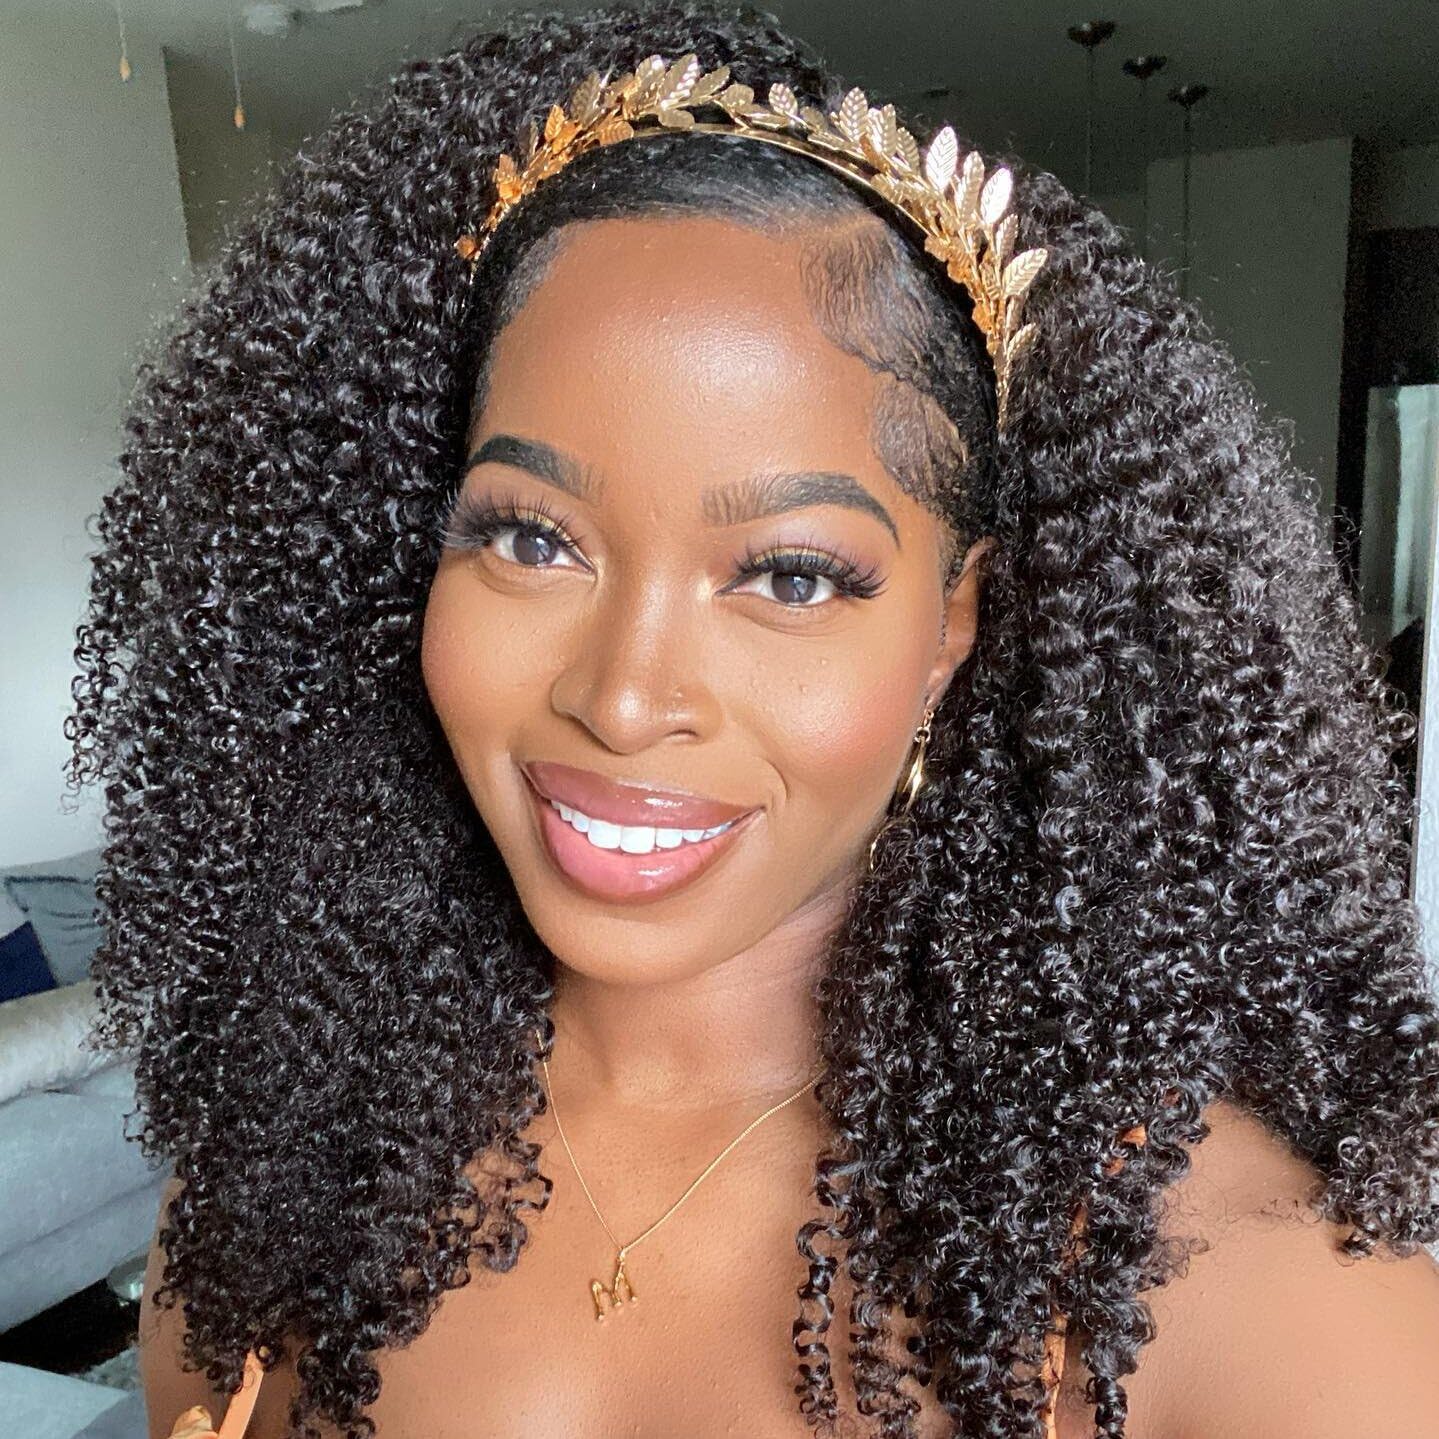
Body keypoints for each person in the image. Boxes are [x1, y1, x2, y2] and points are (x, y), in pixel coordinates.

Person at [63, 4, 1439, 1437]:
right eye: (531, 539)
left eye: (790, 575)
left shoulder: (1238, 1295)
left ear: (956, 622)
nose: (623, 697)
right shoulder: (282, 1170)